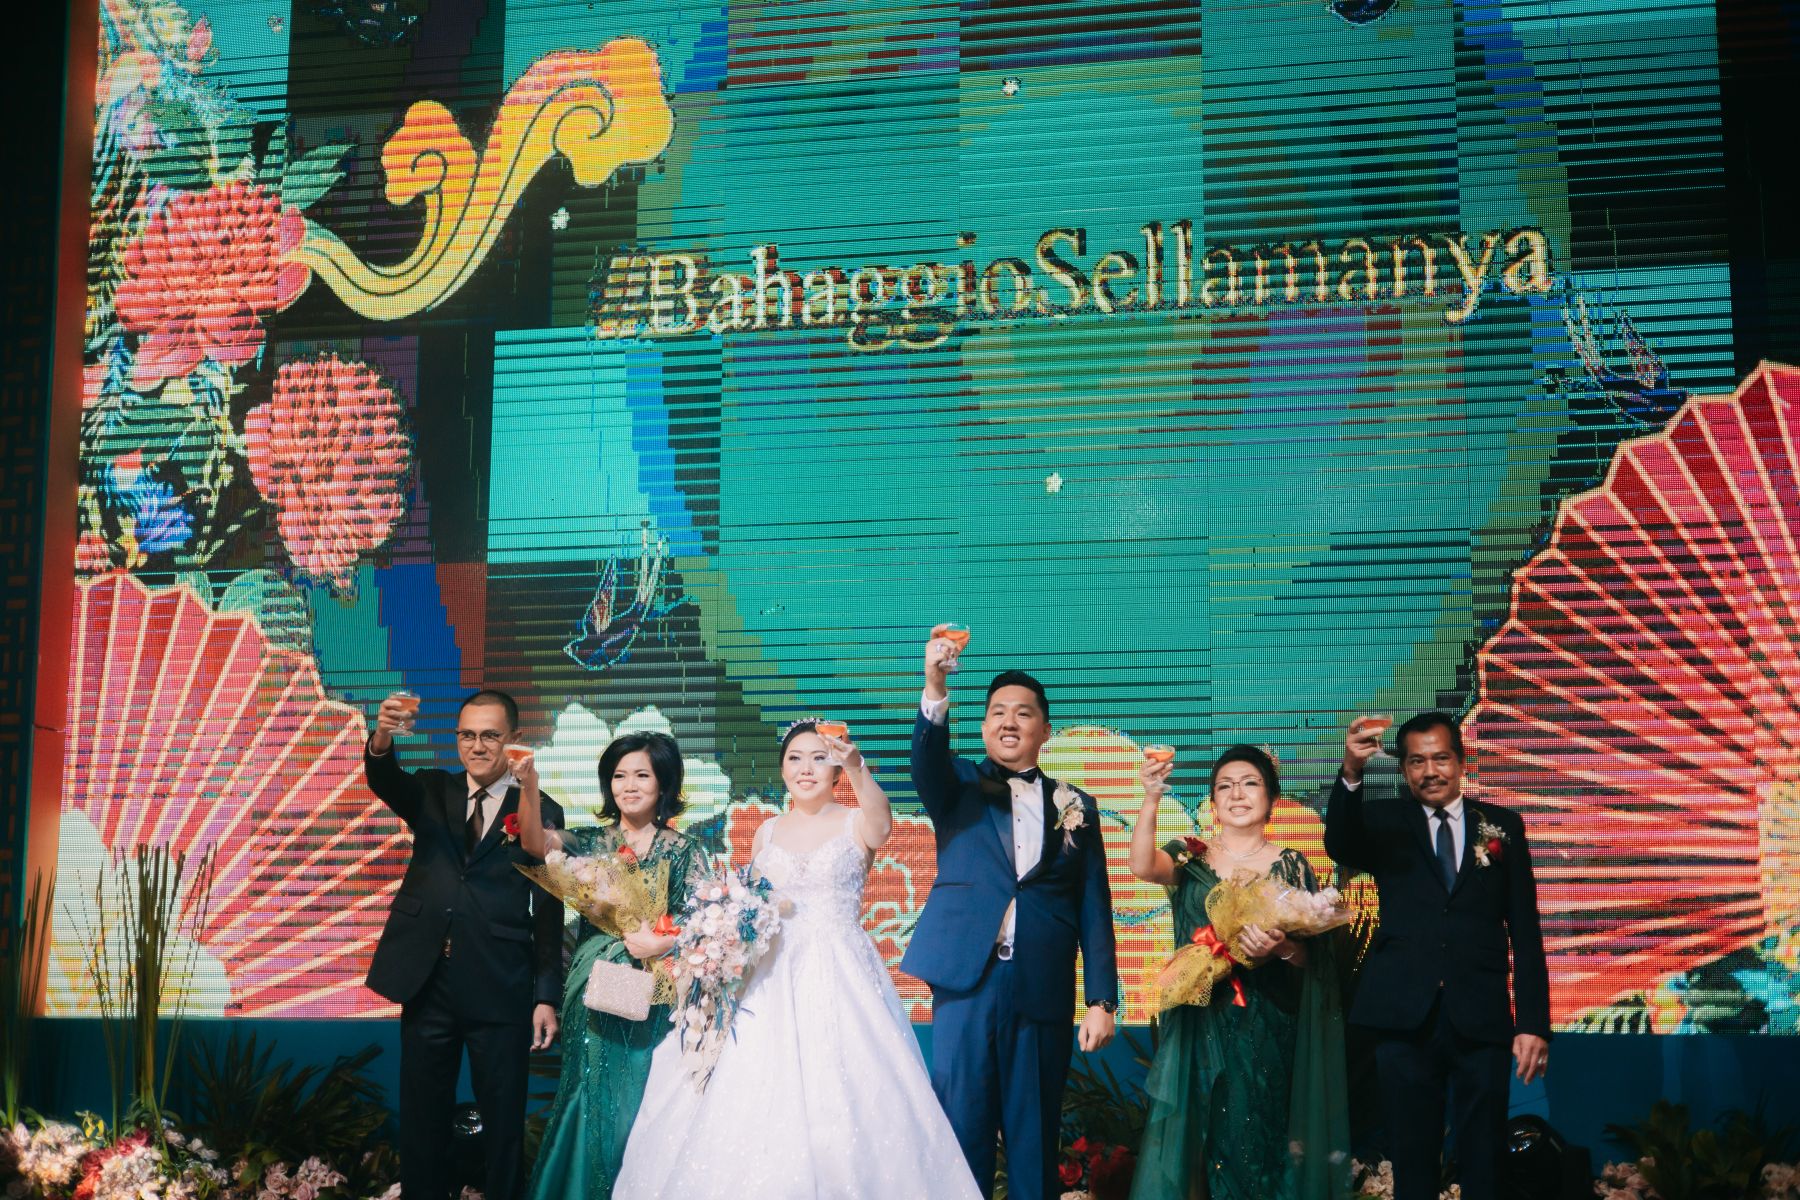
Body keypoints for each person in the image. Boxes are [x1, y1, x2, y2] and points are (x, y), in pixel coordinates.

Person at [614, 720, 981, 1198]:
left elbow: (883, 825)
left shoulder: (856, 820)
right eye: (794, 758)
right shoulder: (767, 831)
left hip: (840, 970)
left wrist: (857, 765)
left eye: (818, 758)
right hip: (770, 974)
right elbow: (750, 905)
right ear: (782, 769)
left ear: (835, 769)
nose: (806, 768)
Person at [903, 636, 1120, 1200]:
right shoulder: (955, 784)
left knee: (1034, 1138)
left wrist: (1102, 1000)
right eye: (998, 712)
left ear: (1044, 730)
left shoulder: (1077, 805)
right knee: (961, 1132)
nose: (1009, 721)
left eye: (1023, 713)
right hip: (967, 983)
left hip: (1042, 985)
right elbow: (925, 759)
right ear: (982, 727)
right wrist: (935, 684)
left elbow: (1093, 905)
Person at [1325, 712, 1551, 1200]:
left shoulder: (1503, 827)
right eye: (1417, 761)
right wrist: (1351, 770)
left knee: (1485, 1158)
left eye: (1441, 758)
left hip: (1482, 1016)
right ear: (1404, 770)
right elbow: (1339, 843)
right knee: (1412, 1157)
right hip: (1403, 1016)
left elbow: (1525, 931)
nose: (1430, 771)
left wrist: (1532, 1022)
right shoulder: (1384, 821)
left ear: (1462, 762)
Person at [362, 689, 564, 1200]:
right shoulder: (433, 790)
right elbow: (384, 777)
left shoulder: (541, 808)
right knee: (422, 1117)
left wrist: (546, 994)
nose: (477, 746)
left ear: (515, 739)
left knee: (503, 1123)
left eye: (490, 735)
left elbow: (549, 907)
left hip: (501, 981)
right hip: (428, 979)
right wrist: (382, 735)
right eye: (467, 735)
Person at [1127, 745, 1351, 1200]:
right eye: (1224, 786)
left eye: (1250, 783)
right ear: (1212, 801)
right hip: (1199, 1022)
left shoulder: (1291, 864)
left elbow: (1315, 962)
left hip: (1264, 1024)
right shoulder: (1190, 854)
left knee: (1258, 1142)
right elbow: (1141, 866)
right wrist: (1151, 797)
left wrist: (1281, 948)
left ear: (1272, 799)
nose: (1237, 794)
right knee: (1199, 1142)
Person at [515, 731, 708, 1200]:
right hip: (595, 984)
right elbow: (535, 843)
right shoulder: (589, 842)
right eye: (619, 776)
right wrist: (529, 785)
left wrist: (660, 942)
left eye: (642, 775)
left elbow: (705, 924)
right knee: (589, 1088)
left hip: (656, 989)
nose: (629, 785)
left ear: (664, 784)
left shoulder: (685, 850)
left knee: (639, 1093)